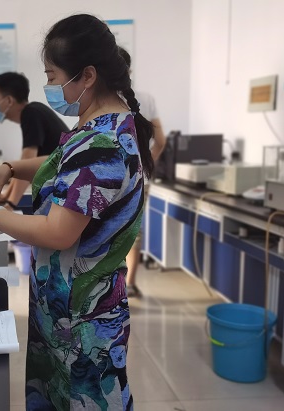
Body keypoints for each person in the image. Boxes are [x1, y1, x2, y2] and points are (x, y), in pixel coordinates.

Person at [0, 14, 154, 410]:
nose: (50, 87)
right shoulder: (98, 128)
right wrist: (9, 169)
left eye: (52, 77)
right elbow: (63, 163)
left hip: (83, 322)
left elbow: (59, 232)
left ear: (87, 76)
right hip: (64, 309)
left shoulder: (104, 141)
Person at [118, 47, 166, 298]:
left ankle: (110, 287)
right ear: (129, 71)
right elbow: (161, 141)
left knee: (107, 232)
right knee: (133, 232)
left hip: (111, 178)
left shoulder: (102, 101)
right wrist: (144, 166)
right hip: (139, 179)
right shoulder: (145, 98)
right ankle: (130, 284)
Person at [0, 72, 69, 209]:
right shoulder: (33, 111)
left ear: (9, 100)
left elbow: (26, 163)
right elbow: (20, 166)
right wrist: (6, 196)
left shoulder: (31, 113)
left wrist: (10, 204)